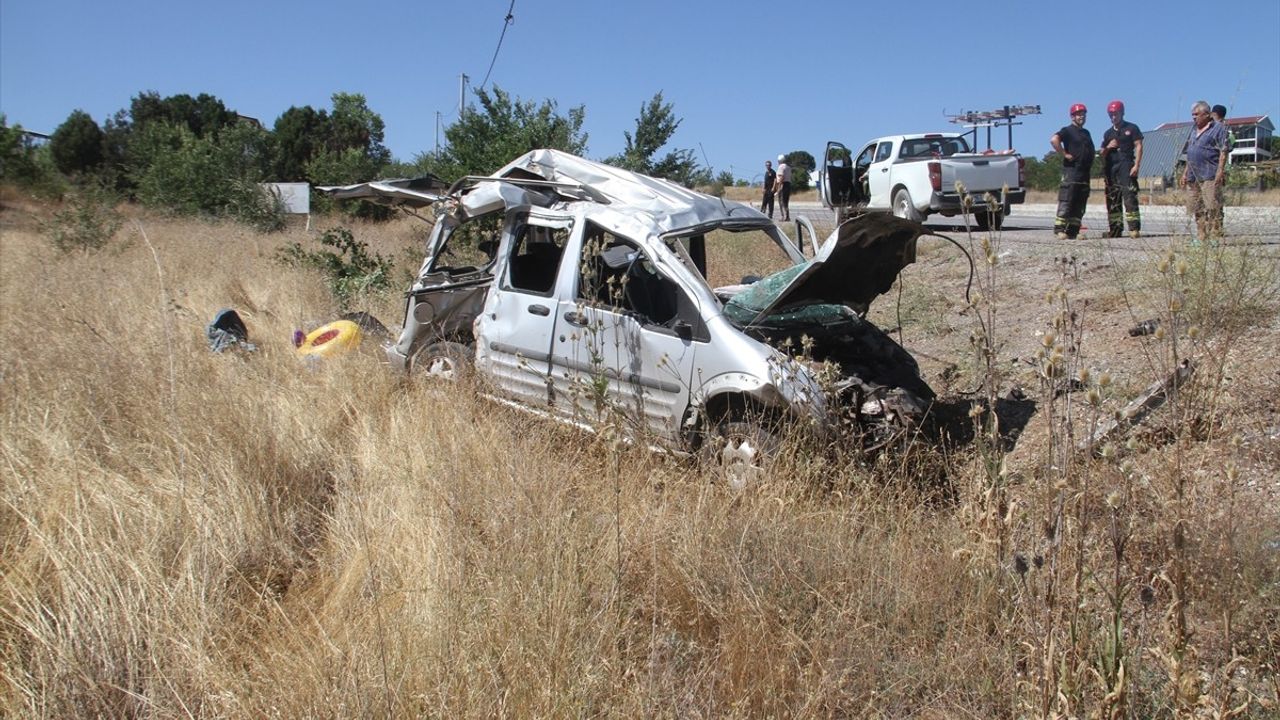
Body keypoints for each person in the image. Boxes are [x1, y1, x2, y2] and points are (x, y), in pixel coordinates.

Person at [1182, 100, 1230, 241]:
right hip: (1193, 175)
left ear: (1207, 114)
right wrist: (1185, 172)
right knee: (1196, 207)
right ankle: (1201, 235)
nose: (1194, 117)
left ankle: (1215, 235)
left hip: (1210, 174)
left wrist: (1220, 171)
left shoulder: (1219, 129)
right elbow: (1190, 152)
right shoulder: (1193, 130)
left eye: (1196, 114)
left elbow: (1224, 151)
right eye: (1192, 115)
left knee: (1212, 206)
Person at [1049, 103, 1095, 240]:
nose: (1081, 116)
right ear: (1072, 116)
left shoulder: (1086, 133)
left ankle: (1073, 231)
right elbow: (1054, 140)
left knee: (1080, 202)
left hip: (1084, 173)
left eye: (1083, 114)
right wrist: (1064, 154)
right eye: (1078, 114)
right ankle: (1060, 230)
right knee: (1067, 200)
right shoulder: (1067, 130)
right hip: (1071, 172)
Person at [1100, 100, 1144, 238]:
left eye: (1116, 114)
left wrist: (1136, 165)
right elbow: (1102, 152)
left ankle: (1134, 229)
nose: (1114, 117)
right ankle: (1115, 230)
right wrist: (1108, 147)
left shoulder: (1132, 128)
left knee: (1129, 197)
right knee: (1113, 199)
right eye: (1111, 114)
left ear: (1122, 113)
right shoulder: (1108, 133)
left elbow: (1138, 145)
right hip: (1111, 168)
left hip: (1126, 165)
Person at [775, 154, 792, 221]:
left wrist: (779, 187)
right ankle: (787, 216)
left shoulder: (781, 167)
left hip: (783, 184)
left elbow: (781, 177)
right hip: (788, 184)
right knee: (786, 201)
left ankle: (783, 216)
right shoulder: (788, 167)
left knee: (781, 201)